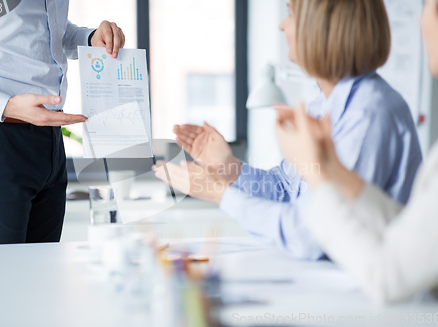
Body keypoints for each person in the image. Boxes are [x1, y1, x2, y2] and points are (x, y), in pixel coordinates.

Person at [154, 0, 423, 260]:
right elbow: (286, 189)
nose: (282, 25)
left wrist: (220, 194)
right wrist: (228, 167)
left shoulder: (368, 114)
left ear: (322, 26)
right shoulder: (321, 105)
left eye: (291, 13)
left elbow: (311, 236)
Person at [272, 0, 438, 304]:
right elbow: (411, 235)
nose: (421, 23)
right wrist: (332, 168)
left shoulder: (372, 108)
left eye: (428, 7)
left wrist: (317, 175)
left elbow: (389, 277)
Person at [0, 1, 125, 245]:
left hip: (49, 144)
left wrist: (89, 37)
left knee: (40, 274)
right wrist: (6, 105)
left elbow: (46, 31)